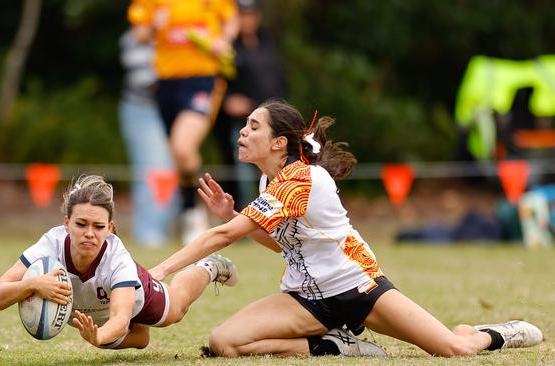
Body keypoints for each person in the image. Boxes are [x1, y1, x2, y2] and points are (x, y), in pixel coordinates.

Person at [148, 100, 544, 357]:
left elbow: (222, 239)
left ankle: (500, 332)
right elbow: (287, 247)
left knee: (455, 349)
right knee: (224, 343)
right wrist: (230, 216)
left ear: (278, 142)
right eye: (245, 126)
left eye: (253, 127)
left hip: (359, 288)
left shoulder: (300, 179)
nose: (242, 132)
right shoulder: (269, 182)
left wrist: (160, 272)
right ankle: (334, 346)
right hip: (307, 298)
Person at [0, 175, 238, 350]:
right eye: (81, 224)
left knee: (177, 310)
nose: (89, 233)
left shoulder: (118, 259)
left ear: (110, 228)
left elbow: (120, 317)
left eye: (99, 226)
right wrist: (34, 284)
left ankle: (210, 266)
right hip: (94, 310)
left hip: (128, 298)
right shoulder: (50, 245)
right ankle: (138, 335)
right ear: (66, 223)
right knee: (140, 340)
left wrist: (98, 337)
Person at [128, 0, 240, 244]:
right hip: (167, 83)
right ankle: (192, 207)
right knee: (180, 156)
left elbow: (232, 19)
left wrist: (224, 40)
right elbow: (138, 34)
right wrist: (152, 27)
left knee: (183, 147)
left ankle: (191, 212)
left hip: (202, 79)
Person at [213, 0, 286, 209]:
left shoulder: (267, 42)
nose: (247, 20)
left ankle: (273, 211)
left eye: (251, 15)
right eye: (242, 15)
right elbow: (216, 79)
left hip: (271, 119)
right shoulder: (226, 47)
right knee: (240, 167)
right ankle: (243, 213)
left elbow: (279, 79)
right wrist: (227, 99)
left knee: (272, 165)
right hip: (240, 120)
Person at [118, 27, 179, 248]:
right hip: (144, 109)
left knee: (174, 170)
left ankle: (164, 229)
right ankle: (148, 232)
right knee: (154, 170)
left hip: (176, 110)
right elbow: (145, 81)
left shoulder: (183, 31)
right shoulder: (134, 37)